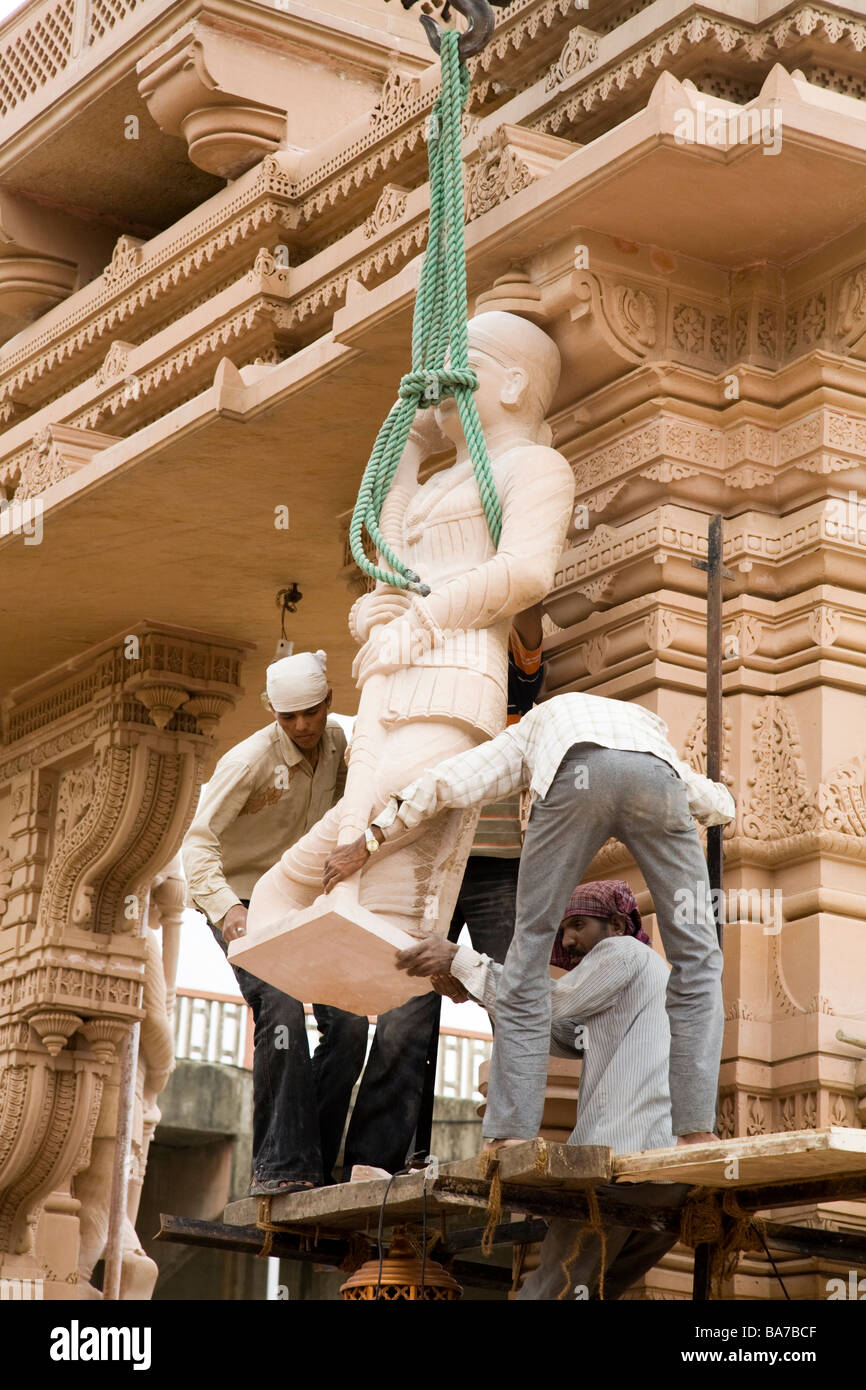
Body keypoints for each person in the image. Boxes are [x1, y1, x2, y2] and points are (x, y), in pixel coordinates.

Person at [322, 689, 735, 1148]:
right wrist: (725, 798)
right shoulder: (647, 731)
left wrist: (370, 841)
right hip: (658, 780)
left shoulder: (533, 730)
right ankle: (698, 1130)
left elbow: (447, 782)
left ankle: (511, 1135)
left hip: (575, 770)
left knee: (529, 953)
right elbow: (713, 803)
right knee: (699, 960)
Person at [394, 879, 690, 1301]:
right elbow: (554, 1031)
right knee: (590, 1291)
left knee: (552, 1290)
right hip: (662, 1173)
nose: (568, 940)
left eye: (578, 925)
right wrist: (480, 994)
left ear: (618, 924)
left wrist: (462, 960)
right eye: (563, 929)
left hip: (624, 1160)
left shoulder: (622, 951)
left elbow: (543, 1005)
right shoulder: (643, 973)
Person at [182, 650, 369, 1195]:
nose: (304, 726)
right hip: (240, 900)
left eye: (312, 711)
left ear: (329, 701)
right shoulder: (247, 761)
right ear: (272, 712)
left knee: (352, 1025)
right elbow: (196, 841)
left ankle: (313, 1161)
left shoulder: (342, 744)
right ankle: (279, 1169)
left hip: (303, 901)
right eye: (290, 717)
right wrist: (228, 910)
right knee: (281, 1009)